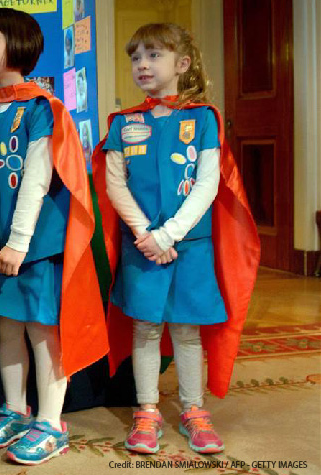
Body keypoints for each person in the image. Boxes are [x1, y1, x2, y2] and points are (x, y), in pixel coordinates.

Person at [92, 23, 259, 455]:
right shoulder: (124, 122)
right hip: (143, 247)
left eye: (154, 55)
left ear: (181, 64)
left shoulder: (202, 118)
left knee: (186, 330)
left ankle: (193, 410)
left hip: (189, 246)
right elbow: (116, 185)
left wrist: (169, 233)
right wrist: (147, 234)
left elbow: (208, 185)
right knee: (145, 327)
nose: (142, 65)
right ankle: (146, 411)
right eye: (135, 57)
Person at [0, 8, 106, 465]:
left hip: (37, 247)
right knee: (7, 328)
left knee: (44, 333)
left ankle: (49, 421)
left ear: (19, 45)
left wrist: (20, 242)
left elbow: (38, 179)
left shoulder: (42, 108)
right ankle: (15, 409)